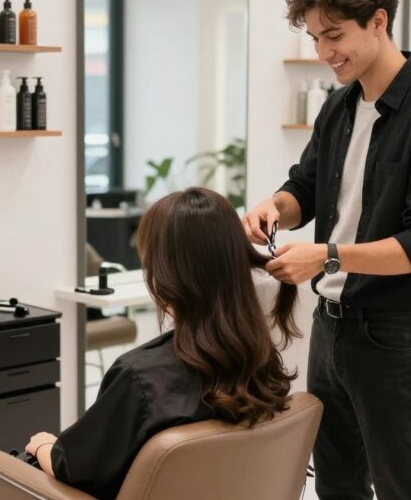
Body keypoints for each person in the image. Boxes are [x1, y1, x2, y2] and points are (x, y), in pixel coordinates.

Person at [243, 0, 411, 500]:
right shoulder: (339, 107)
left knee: (404, 491)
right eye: (315, 39)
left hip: (397, 338)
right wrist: (274, 206)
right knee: (337, 486)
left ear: (378, 21)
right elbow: (305, 188)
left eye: (334, 36)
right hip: (330, 328)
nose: (324, 53)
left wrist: (328, 256)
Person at [24, 188, 299, 500]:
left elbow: (73, 470)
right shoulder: (261, 361)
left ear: (163, 274)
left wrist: (44, 445)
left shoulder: (139, 379)